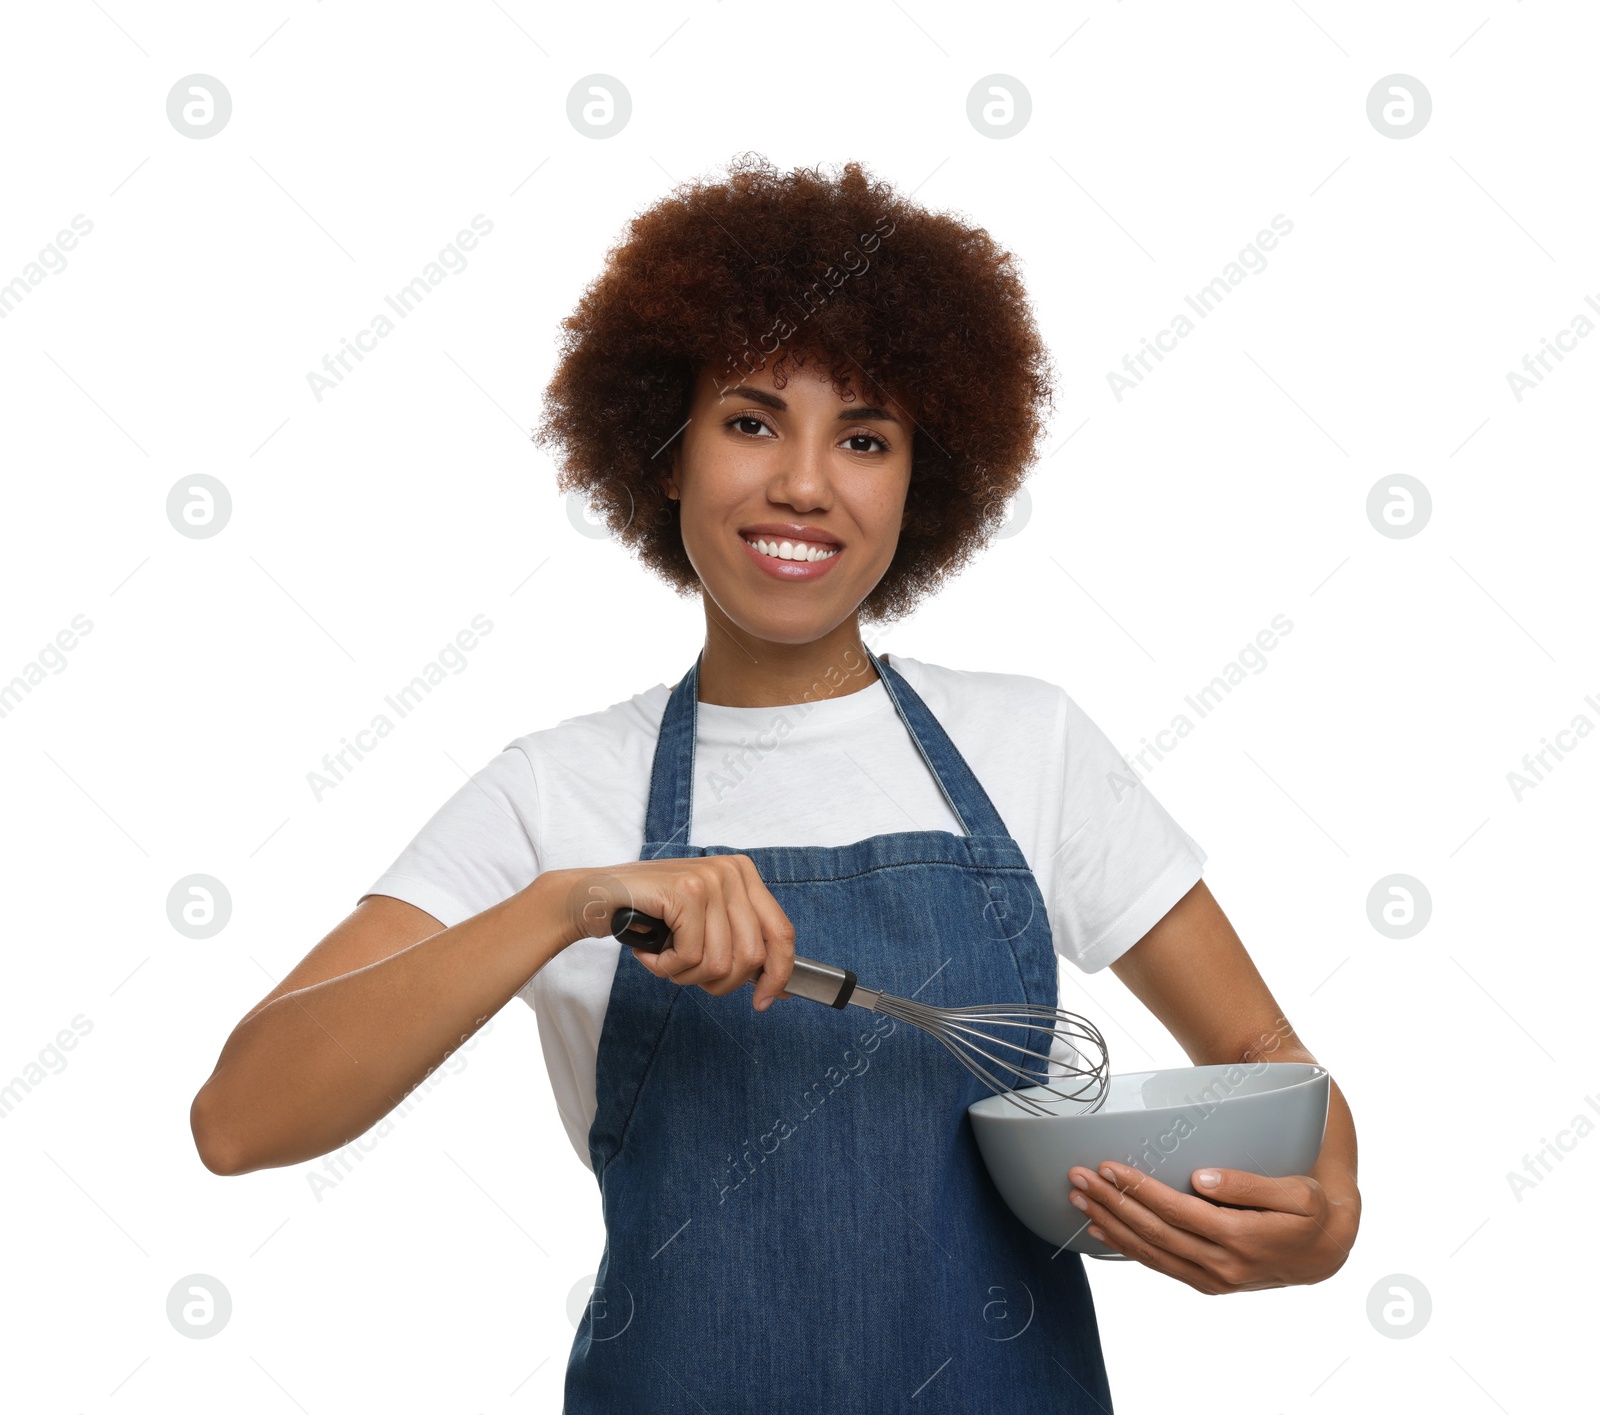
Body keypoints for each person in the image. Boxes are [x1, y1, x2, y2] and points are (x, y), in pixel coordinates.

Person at [190, 155, 1360, 1412]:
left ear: (924, 478)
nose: (804, 481)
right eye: (751, 421)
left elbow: (1262, 1054)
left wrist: (1325, 1211)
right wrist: (569, 903)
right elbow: (242, 1117)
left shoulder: (1032, 745)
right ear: (665, 452)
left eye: (864, 437)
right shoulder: (557, 791)